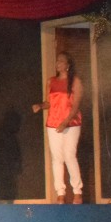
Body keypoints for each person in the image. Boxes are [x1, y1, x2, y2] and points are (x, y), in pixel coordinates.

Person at [32, 53, 84, 203]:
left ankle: (77, 191)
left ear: (68, 65)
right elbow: (49, 103)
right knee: (56, 158)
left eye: (61, 61)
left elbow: (76, 106)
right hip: (53, 123)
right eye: (57, 61)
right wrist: (40, 106)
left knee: (69, 155)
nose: (58, 63)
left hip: (71, 123)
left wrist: (65, 122)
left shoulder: (75, 81)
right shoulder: (51, 81)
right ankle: (60, 192)